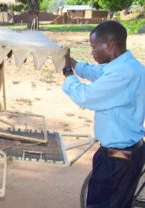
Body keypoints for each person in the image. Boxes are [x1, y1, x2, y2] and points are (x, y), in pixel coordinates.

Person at [62, 21, 145, 207]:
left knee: (102, 203)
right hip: (123, 153)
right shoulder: (127, 66)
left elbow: (86, 96)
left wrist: (68, 72)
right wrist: (73, 62)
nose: (92, 52)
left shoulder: (123, 74)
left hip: (118, 157)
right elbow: (97, 72)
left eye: (93, 47)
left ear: (110, 44)